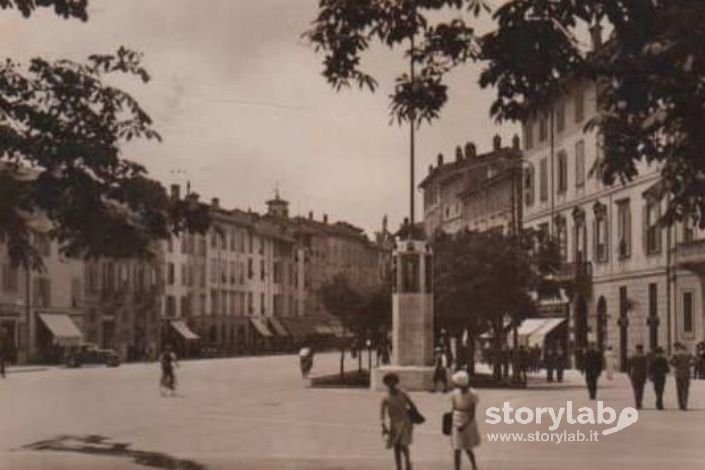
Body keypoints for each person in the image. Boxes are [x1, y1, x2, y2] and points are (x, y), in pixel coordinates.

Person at [380, 373, 415, 470]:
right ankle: (398, 466)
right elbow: (382, 413)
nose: (391, 383)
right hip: (394, 424)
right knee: (396, 447)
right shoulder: (385, 397)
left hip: (405, 421)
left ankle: (408, 463)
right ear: (386, 383)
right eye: (388, 381)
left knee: (404, 445)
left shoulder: (402, 393)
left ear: (396, 382)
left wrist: (413, 418)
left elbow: (412, 405)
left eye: (393, 381)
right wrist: (383, 424)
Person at [449, 371, 480, 470]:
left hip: (467, 421)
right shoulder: (454, 394)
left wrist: (465, 424)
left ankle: (474, 466)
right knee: (456, 449)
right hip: (456, 419)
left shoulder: (472, 394)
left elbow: (472, 412)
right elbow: (453, 408)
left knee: (467, 447)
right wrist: (452, 423)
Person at [670, 343, 694, 410]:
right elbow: (694, 361)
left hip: (678, 373)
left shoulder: (676, 354)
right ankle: (685, 404)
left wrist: (676, 365)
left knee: (679, 389)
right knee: (685, 390)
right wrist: (688, 365)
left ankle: (680, 405)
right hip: (686, 373)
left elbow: (670, 361)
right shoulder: (689, 354)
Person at [627, 344, 648, 409]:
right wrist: (646, 376)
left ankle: (637, 403)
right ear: (641, 349)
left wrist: (629, 375)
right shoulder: (644, 357)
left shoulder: (632, 357)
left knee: (635, 390)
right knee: (641, 390)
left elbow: (628, 367)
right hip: (641, 375)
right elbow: (646, 367)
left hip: (634, 375)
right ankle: (639, 403)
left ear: (636, 349)